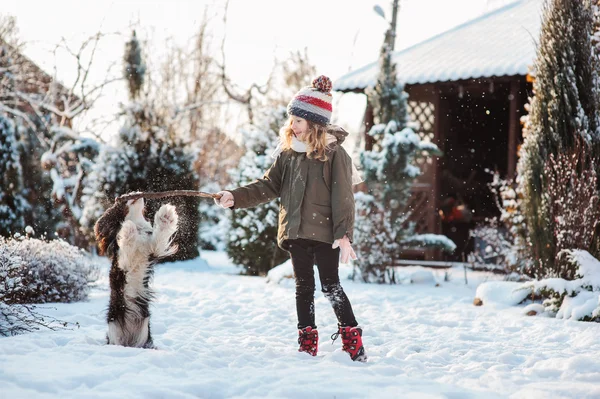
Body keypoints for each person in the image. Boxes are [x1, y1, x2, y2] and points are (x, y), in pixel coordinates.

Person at [215, 75, 367, 362]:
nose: (292, 126)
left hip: (325, 235)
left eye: (298, 120)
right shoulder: (288, 154)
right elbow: (268, 185)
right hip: (295, 232)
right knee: (303, 287)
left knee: (330, 285)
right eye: (292, 120)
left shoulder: (335, 154)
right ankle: (307, 340)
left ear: (314, 122)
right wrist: (235, 196)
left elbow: (343, 198)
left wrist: (343, 233)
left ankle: (351, 338)